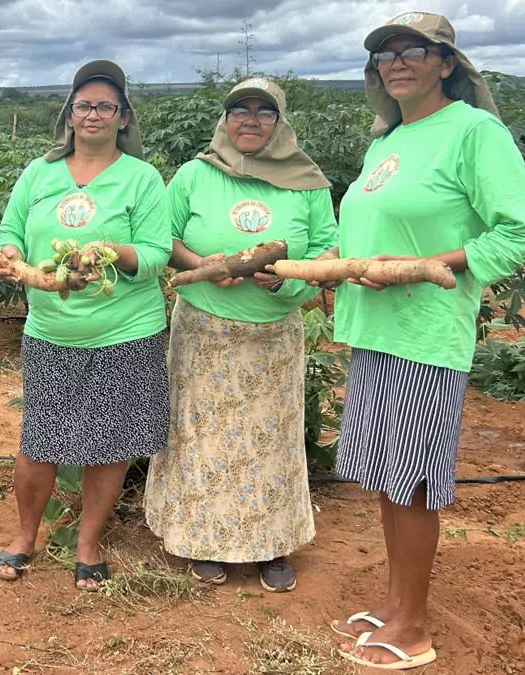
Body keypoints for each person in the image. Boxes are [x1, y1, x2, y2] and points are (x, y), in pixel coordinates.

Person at [328, 12, 525, 670]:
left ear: (446, 63)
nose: (396, 62)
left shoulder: (473, 131)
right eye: (385, 54)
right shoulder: (389, 139)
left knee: (412, 485)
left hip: (424, 334)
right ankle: (396, 607)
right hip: (374, 331)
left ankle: (415, 628)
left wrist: (442, 263)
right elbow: (369, 234)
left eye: (413, 51)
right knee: (385, 479)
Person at [144, 78, 336, 593]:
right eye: (240, 110)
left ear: (280, 122)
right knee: (201, 438)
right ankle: (202, 541)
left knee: (270, 440)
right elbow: (165, 236)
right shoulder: (194, 174)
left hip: (273, 335)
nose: (250, 120)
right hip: (203, 330)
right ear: (225, 119)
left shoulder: (308, 182)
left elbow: (327, 248)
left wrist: (288, 275)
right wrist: (199, 263)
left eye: (264, 112)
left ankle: (273, 545)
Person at [0, 60, 171, 591]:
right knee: (39, 440)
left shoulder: (142, 178)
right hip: (51, 330)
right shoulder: (38, 172)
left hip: (125, 330)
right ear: (68, 114)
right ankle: (26, 536)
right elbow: (11, 228)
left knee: (112, 442)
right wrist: (11, 255)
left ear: (122, 117)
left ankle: (88, 542)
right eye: (83, 104)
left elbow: (158, 253)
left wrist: (114, 250)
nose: (92, 114)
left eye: (105, 106)